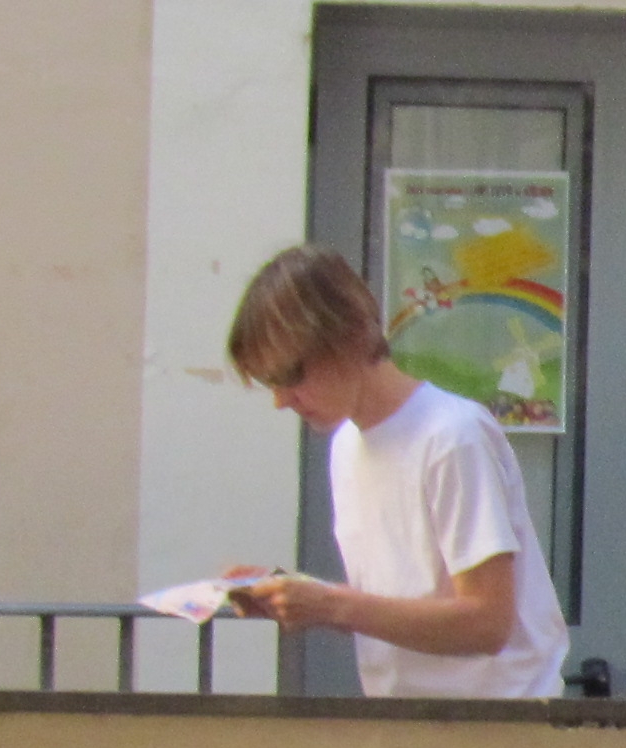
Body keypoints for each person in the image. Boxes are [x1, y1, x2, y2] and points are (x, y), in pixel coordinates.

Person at [218, 246, 572, 700]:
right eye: (270, 383)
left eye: (290, 375)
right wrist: (297, 596)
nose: (281, 400)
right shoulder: (347, 443)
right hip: (406, 723)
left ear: (348, 338)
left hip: (496, 729)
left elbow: (486, 623)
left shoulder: (452, 436)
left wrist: (332, 606)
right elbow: (406, 600)